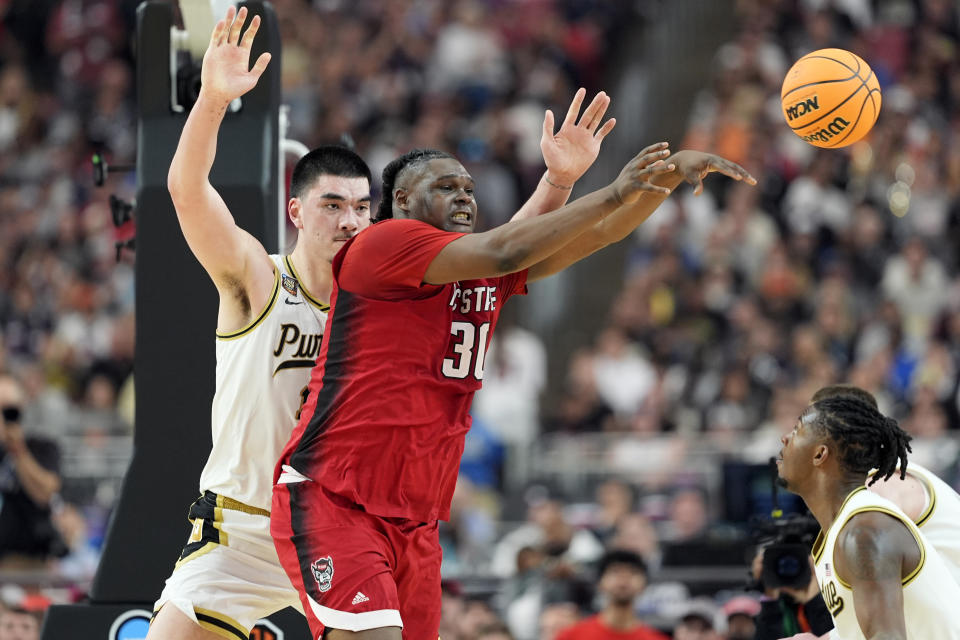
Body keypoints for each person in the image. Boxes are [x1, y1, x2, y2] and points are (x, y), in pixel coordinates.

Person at [149, 7, 625, 640]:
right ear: (295, 211)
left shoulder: (388, 291)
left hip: (347, 522)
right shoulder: (258, 279)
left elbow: (505, 252)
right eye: (332, 206)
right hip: (243, 530)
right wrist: (211, 100)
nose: (350, 221)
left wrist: (558, 182)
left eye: (360, 207)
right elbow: (186, 191)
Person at [271, 140, 752, 638]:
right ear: (405, 201)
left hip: (415, 519)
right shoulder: (382, 243)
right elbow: (509, 245)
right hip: (336, 495)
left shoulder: (480, 272)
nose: (464, 197)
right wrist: (611, 190)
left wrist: (666, 178)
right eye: (446, 186)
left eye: (469, 189)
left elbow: (605, 232)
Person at [776, 395, 960, 639]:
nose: (784, 438)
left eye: (797, 430)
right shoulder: (843, 530)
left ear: (820, 454)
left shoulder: (865, 529)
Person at [0, 372, 62, 568]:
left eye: (9, 411)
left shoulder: (41, 445)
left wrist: (18, 451)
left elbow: (45, 493)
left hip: (29, 559)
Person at [553, 550, 668, 640]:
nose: (624, 578)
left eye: (633, 572)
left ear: (644, 585)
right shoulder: (571, 636)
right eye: (615, 571)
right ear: (599, 583)